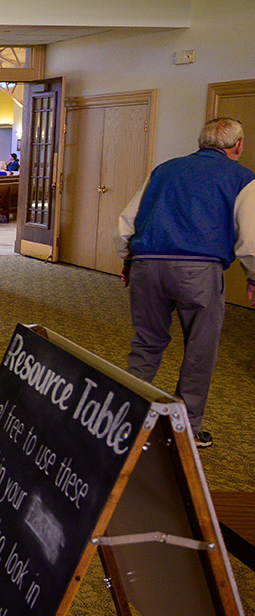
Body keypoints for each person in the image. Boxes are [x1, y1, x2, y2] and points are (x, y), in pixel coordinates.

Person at [116, 117, 255, 449]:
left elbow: (127, 220)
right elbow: (251, 238)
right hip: (198, 271)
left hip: (148, 265)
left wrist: (127, 260)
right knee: (199, 348)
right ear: (238, 146)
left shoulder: (163, 170)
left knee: (146, 342)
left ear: (201, 142)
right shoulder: (242, 178)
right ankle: (187, 428)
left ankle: (125, 419)